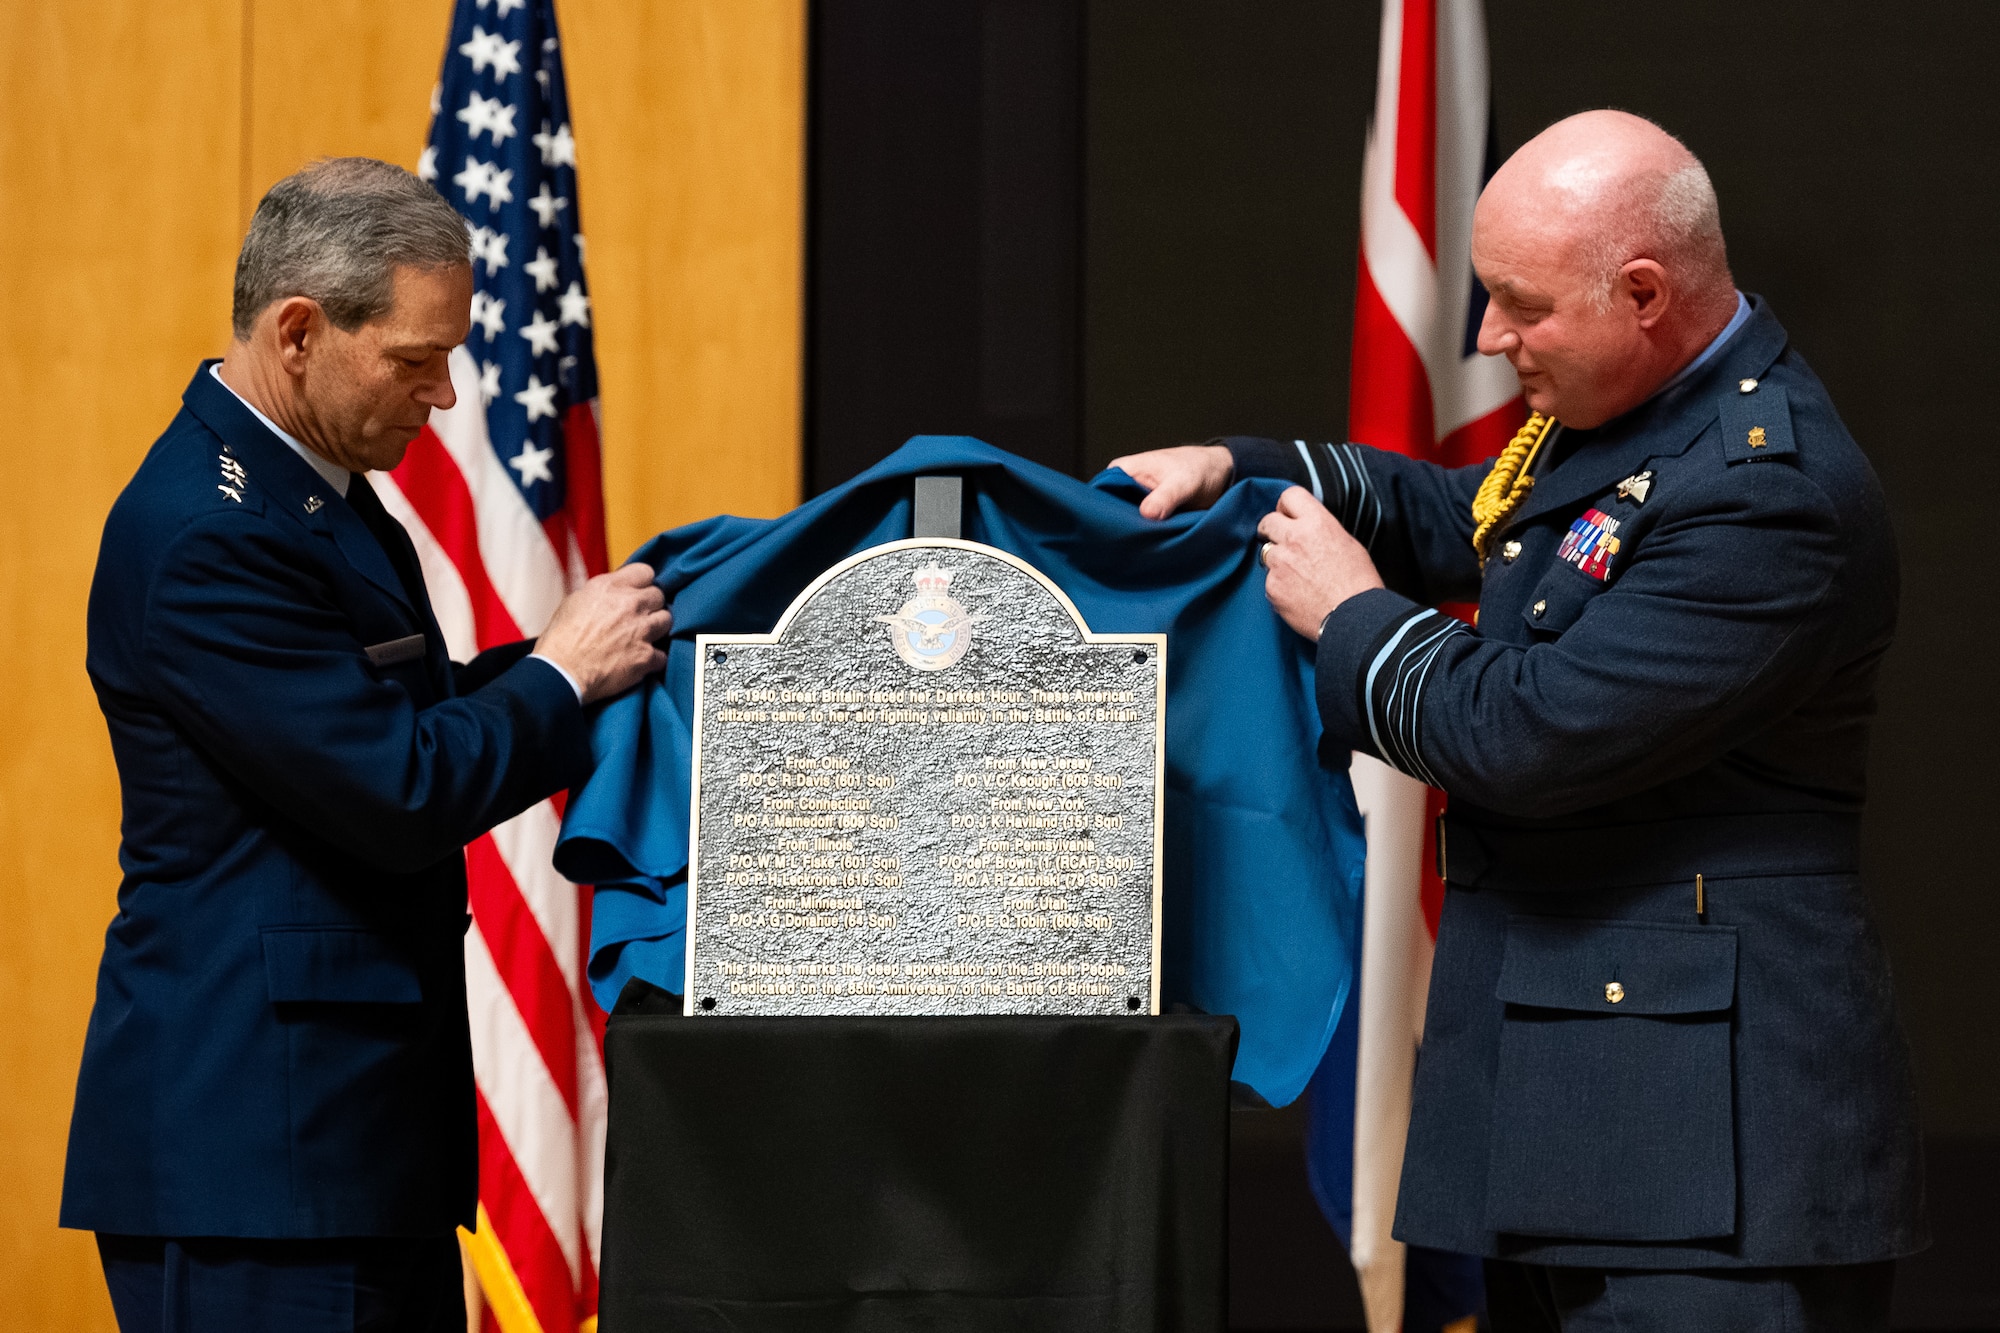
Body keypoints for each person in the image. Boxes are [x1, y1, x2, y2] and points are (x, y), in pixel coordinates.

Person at [1113, 111, 1924, 1332]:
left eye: (1519, 306)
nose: (1487, 339)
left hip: (1705, 1164)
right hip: (1577, 1125)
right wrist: (1254, 472)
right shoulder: (1650, 421)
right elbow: (1470, 517)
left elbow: (1522, 737)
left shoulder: (1768, 493)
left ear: (1643, 293)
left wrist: (1349, 613)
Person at [60, 158, 670, 1331]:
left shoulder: (304, 490)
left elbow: (400, 713)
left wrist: (583, 662)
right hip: (257, 1161)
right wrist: (560, 674)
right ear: (298, 331)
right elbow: (396, 784)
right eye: (415, 359)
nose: (444, 396)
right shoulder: (208, 533)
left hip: (336, 1144)